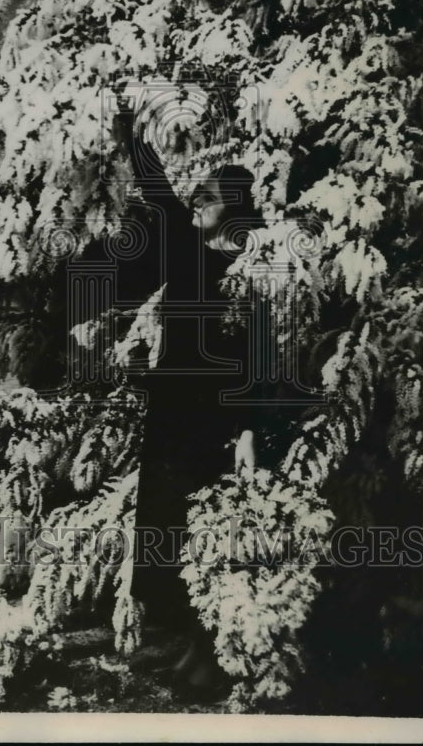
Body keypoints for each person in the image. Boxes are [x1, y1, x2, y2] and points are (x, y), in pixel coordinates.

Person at [114, 106, 272, 699]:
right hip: (173, 413)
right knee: (168, 525)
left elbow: (261, 357)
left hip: (218, 420)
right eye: (198, 191)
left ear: (237, 204)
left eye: (211, 193)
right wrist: (131, 132)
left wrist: (249, 430)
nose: (198, 199)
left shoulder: (248, 270)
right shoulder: (188, 251)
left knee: (212, 532)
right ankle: (187, 640)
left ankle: (212, 653)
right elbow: (155, 187)